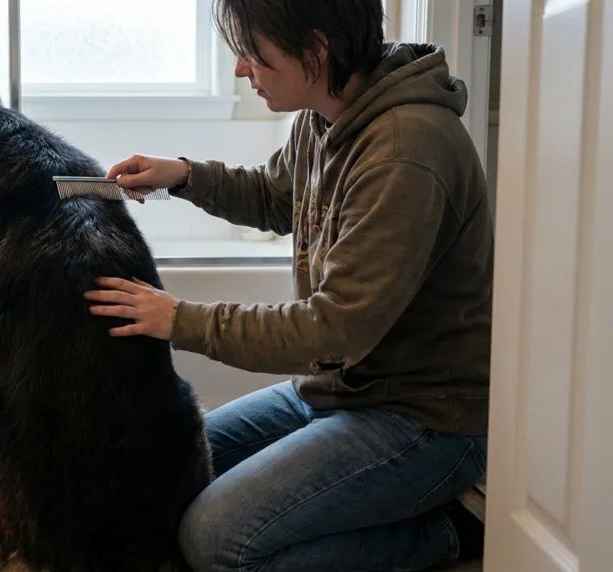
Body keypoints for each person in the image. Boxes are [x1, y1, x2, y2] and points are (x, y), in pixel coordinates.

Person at [82, 1, 493, 570]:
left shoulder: (405, 151)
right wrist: (185, 176)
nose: (240, 70)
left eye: (254, 54)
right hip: (337, 390)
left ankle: (446, 531)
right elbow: (279, 196)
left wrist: (180, 320)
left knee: (216, 540)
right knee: (167, 468)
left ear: (317, 50)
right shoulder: (325, 116)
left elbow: (334, 328)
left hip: (422, 419)